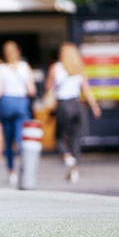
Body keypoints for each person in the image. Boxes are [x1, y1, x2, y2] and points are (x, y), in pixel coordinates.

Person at [46, 42, 101, 183]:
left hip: (63, 104)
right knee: (76, 138)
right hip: (77, 105)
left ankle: (68, 159)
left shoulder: (55, 68)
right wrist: (94, 107)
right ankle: (74, 169)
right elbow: (87, 91)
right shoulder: (79, 69)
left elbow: (48, 87)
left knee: (59, 138)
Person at [0, 41, 37, 187]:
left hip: (6, 103)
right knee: (21, 139)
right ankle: (25, 168)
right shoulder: (25, 67)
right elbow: (31, 90)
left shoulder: (0, 68)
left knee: (8, 139)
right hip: (21, 103)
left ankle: (11, 171)